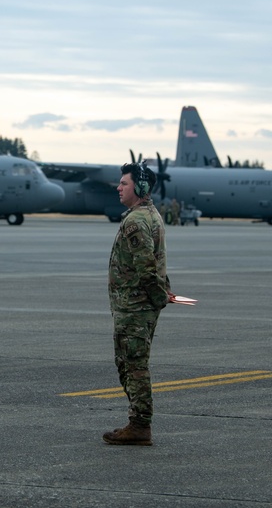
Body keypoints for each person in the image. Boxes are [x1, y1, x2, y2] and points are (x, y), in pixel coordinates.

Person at [103, 161, 171, 446]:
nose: (119, 187)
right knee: (131, 363)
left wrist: (157, 297)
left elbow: (146, 267)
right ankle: (138, 421)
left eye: (125, 183)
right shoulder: (150, 215)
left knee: (133, 365)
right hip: (137, 305)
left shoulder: (135, 221)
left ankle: (140, 424)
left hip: (134, 307)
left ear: (140, 188)